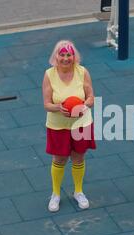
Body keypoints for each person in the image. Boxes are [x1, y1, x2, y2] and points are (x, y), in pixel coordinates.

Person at [42, 40, 96, 212]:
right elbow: (46, 104)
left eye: (68, 55)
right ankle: (55, 194)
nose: (65, 58)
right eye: (62, 55)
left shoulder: (83, 72)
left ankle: (78, 191)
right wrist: (59, 107)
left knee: (78, 157)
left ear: (74, 57)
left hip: (81, 124)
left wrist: (83, 107)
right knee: (59, 159)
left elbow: (91, 98)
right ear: (56, 57)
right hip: (58, 125)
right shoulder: (49, 75)